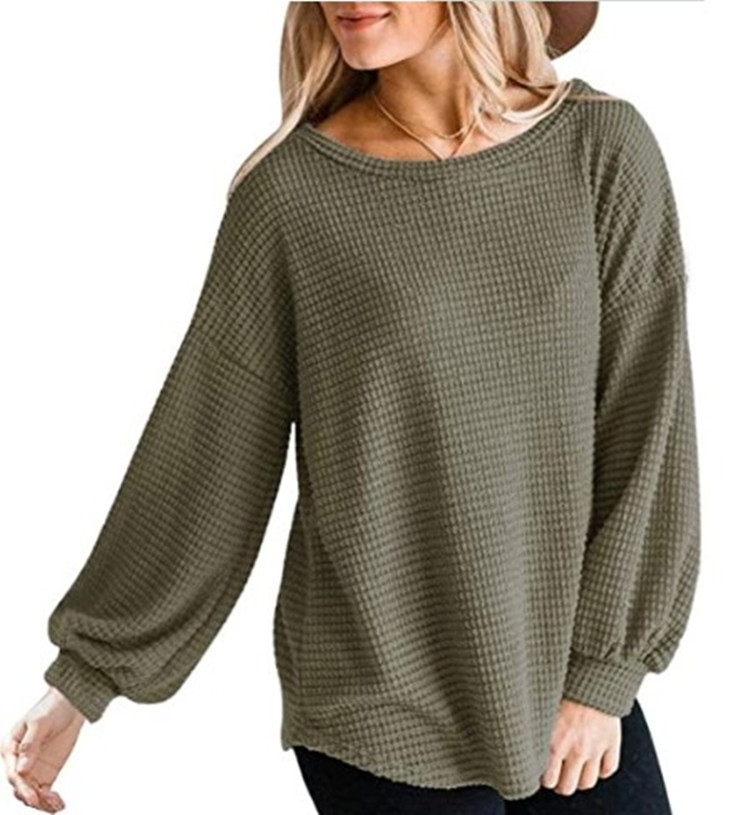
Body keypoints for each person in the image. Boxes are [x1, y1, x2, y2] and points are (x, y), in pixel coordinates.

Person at [2, 2, 701, 813]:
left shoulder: (602, 149)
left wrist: (602, 673)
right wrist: (83, 680)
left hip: (560, 679)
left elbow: (650, 425)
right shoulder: (290, 194)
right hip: (376, 700)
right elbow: (206, 453)